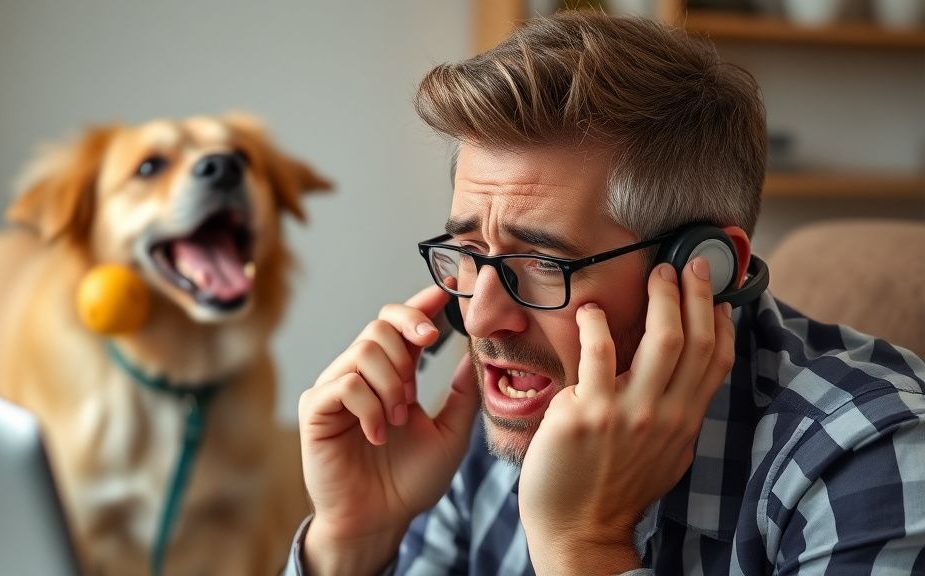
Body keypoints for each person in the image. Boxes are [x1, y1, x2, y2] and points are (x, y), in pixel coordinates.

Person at [285, 11, 925, 575]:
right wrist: (353, 541)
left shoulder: (868, 455)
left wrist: (582, 546)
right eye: (470, 253)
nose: (480, 316)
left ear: (704, 268)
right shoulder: (504, 423)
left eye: (541, 261)